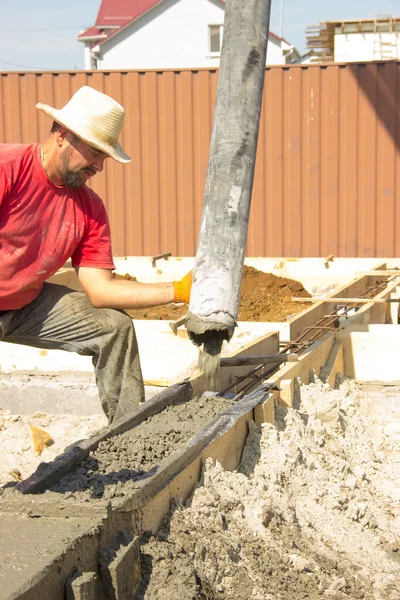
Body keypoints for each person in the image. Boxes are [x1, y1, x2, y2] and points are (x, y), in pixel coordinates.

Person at [0, 86, 192, 423]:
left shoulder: (89, 208)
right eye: (95, 152)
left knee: (113, 327)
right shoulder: (7, 168)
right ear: (62, 135)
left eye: (105, 156)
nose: (100, 167)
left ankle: (129, 437)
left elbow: (101, 290)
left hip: (22, 304)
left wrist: (176, 291)